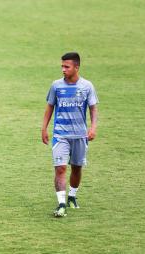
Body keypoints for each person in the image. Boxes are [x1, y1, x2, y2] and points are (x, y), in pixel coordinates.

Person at [41, 52, 99, 217]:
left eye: (66, 67)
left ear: (76, 67)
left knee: (77, 167)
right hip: (60, 135)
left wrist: (93, 128)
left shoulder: (87, 86)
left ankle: (72, 197)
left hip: (80, 135)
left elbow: (93, 108)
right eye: (62, 66)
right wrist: (44, 128)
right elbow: (50, 107)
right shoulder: (56, 86)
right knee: (60, 168)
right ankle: (61, 204)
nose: (63, 69)